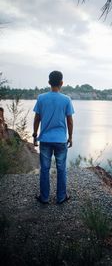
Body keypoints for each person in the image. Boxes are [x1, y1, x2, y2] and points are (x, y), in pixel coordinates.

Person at [33, 70, 74, 204]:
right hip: (61, 140)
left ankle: (44, 197)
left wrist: (35, 135)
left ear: (49, 82)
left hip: (45, 140)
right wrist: (70, 137)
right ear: (61, 83)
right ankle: (61, 197)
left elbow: (37, 119)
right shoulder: (66, 99)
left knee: (45, 169)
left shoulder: (41, 98)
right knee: (61, 169)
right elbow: (70, 121)